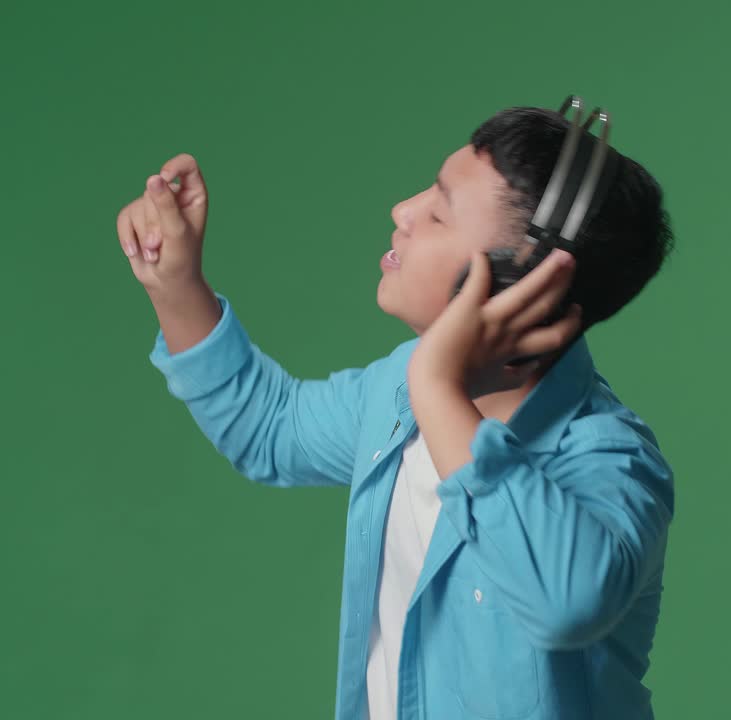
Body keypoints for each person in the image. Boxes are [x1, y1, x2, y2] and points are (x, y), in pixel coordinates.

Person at [115, 104, 676, 720]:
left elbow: (564, 601)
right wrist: (174, 283)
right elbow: (271, 429)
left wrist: (437, 385)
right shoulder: (396, 390)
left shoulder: (612, 460)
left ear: (519, 288)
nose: (402, 212)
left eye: (438, 212)